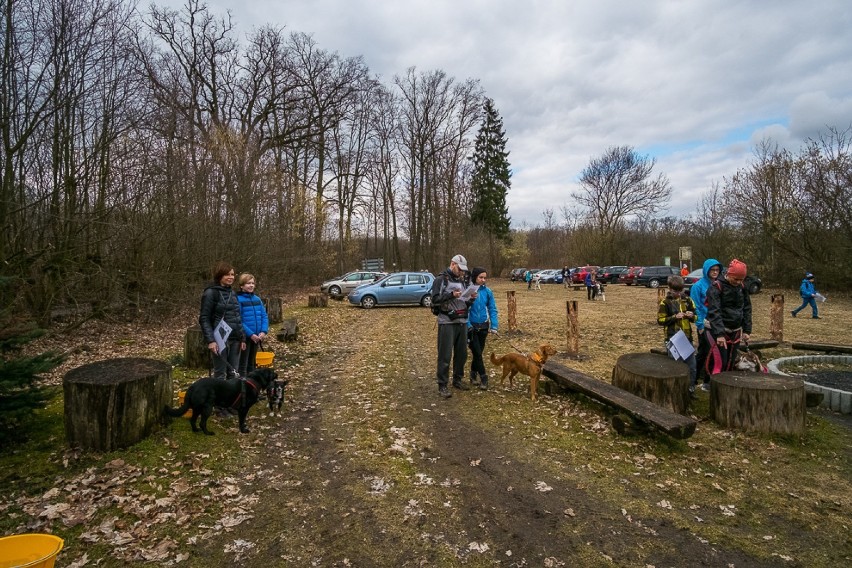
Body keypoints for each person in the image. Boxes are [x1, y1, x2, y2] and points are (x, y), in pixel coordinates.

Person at [431, 254, 476, 398]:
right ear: (452, 264)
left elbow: (464, 302)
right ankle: (442, 384)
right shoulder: (440, 280)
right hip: (447, 322)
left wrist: (471, 299)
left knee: (462, 354)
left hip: (462, 321)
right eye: (459, 269)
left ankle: (457, 379)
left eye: (463, 269)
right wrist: (451, 294)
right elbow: (435, 300)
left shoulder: (463, 281)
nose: (461, 272)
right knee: (445, 354)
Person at [704, 259, 752, 381]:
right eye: (736, 279)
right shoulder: (716, 287)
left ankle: (728, 386)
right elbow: (714, 311)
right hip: (716, 329)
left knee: (731, 361)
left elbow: (747, 308)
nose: (738, 282)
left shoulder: (742, 287)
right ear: (729, 275)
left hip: (735, 329)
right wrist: (719, 334)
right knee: (720, 361)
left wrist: (747, 330)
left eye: (741, 279)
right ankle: (710, 385)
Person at [199, 261, 246, 380]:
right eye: (227, 274)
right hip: (220, 339)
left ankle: (233, 398)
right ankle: (220, 398)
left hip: (235, 338)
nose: (231, 277)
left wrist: (242, 338)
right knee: (220, 374)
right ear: (220, 275)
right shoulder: (211, 293)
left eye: (232, 274)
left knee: (233, 373)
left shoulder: (233, 293)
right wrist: (211, 340)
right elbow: (204, 318)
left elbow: (237, 317)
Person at [657, 275, 698, 396]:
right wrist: (674, 317)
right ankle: (674, 391)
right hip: (672, 339)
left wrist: (692, 316)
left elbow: (695, 317)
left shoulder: (688, 300)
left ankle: (690, 389)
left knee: (692, 365)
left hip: (687, 338)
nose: (678, 294)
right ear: (669, 288)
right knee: (675, 366)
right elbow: (660, 320)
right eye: (675, 291)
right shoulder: (665, 303)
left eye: (681, 291)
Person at [690, 258, 722, 390]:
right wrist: (700, 325)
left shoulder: (719, 285)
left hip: (717, 324)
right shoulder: (698, 286)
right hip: (704, 324)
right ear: (706, 270)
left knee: (716, 353)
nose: (715, 272)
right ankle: (694, 379)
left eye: (717, 270)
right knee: (704, 353)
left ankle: (708, 381)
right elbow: (695, 306)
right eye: (712, 270)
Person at [467, 267, 498, 390]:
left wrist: (494, 325)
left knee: (477, 353)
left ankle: (473, 375)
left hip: (484, 327)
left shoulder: (488, 292)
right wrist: (468, 325)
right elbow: (465, 310)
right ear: (475, 277)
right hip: (472, 328)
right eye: (481, 277)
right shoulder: (468, 291)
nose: (483, 280)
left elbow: (492, 309)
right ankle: (484, 378)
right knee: (478, 353)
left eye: (485, 277)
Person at [237, 273, 269, 377]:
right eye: (248, 283)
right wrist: (250, 334)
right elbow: (238, 320)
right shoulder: (238, 300)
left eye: (252, 283)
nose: (251, 285)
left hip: (257, 336)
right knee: (243, 365)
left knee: (252, 364)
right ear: (242, 286)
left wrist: (263, 331)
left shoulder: (257, 299)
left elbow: (264, 316)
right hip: (245, 337)